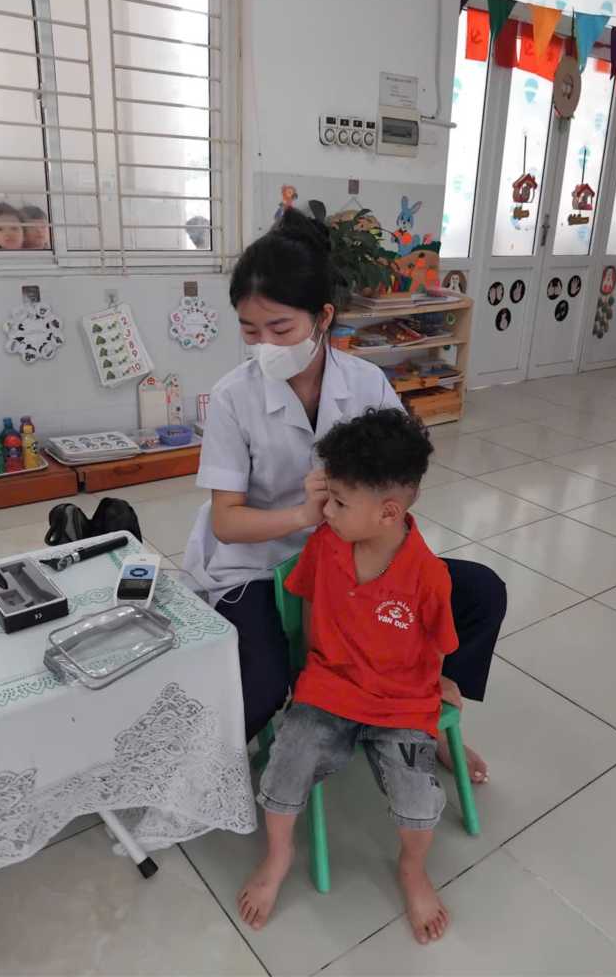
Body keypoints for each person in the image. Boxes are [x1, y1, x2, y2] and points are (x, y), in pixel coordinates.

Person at [182, 208, 506, 786]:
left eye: (280, 329)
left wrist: (371, 519)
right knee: (261, 687)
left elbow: (403, 482)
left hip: (354, 559)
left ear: (323, 317)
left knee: (481, 592)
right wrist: (302, 514)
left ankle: (423, 710)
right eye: (250, 331)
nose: (264, 346)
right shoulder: (233, 397)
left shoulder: (365, 383)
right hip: (260, 563)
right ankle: (194, 776)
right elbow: (226, 523)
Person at [239, 408, 455, 941]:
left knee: (419, 800)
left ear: (388, 512)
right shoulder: (325, 544)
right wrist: (310, 678)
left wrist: (437, 687)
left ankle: (412, 868)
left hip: (401, 703)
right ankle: (279, 854)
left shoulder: (429, 576)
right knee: (283, 767)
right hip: (328, 690)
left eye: (338, 501)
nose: (325, 510)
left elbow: (438, 646)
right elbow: (310, 610)